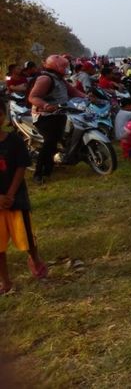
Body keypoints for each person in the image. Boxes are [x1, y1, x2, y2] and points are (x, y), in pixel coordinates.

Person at [0, 102, 47, 294]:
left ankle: (35, 260)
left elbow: (21, 167)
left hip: (16, 199)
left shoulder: (14, 141)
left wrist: (10, 194)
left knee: (26, 236)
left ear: (3, 115)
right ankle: (5, 281)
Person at [27, 55, 87, 183]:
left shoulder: (60, 79)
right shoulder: (45, 79)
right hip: (44, 116)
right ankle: (39, 174)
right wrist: (46, 105)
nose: (66, 69)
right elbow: (33, 97)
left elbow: (73, 92)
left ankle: (54, 164)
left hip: (60, 113)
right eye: (64, 67)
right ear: (56, 67)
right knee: (50, 142)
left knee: (63, 137)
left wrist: (88, 98)